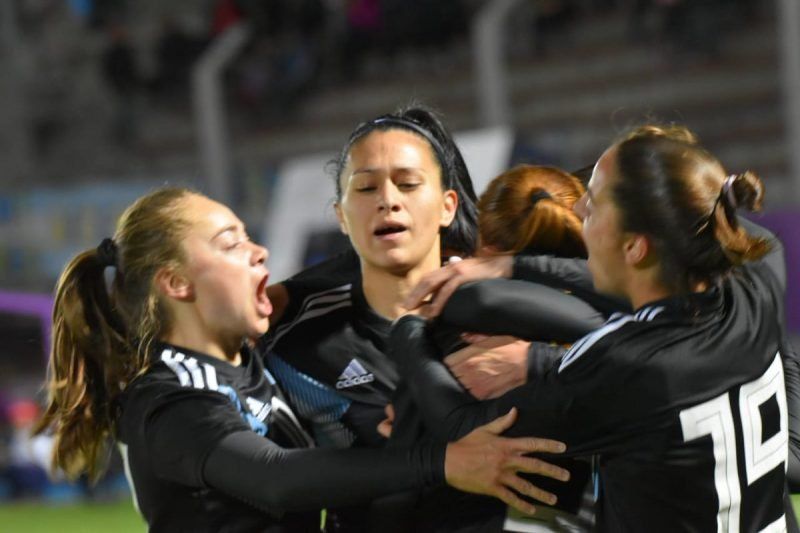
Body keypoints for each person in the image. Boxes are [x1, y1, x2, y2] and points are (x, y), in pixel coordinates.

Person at [32, 187, 571, 532]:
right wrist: (445, 462)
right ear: (175, 283)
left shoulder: (246, 356)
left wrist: (488, 258)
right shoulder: (167, 399)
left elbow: (353, 265)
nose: (258, 250)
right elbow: (276, 477)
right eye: (230, 243)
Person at [396, 124, 792, 530]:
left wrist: (408, 323)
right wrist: (515, 265)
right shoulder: (754, 286)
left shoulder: (622, 364)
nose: (581, 207)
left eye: (597, 201)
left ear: (635, 246)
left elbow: (465, 426)